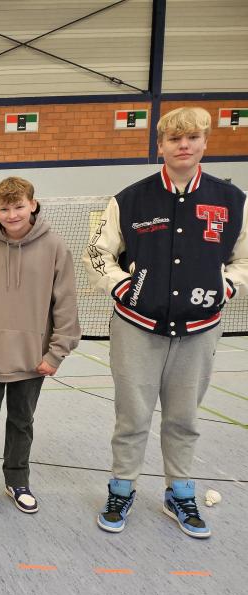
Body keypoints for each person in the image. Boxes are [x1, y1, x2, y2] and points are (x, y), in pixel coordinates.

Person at [83, 107, 248, 538]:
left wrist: (226, 285)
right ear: (160, 145)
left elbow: (244, 259)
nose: (183, 145)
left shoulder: (233, 202)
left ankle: (179, 491)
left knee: (184, 418)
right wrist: (123, 288)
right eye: (174, 139)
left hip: (199, 331)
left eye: (192, 138)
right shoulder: (129, 199)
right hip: (137, 328)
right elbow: (98, 253)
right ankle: (122, 487)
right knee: (132, 416)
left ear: (205, 143)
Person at [0, 177, 80, 514]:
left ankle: (17, 480)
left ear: (32, 204)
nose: (12, 214)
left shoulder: (56, 247)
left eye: (18, 206)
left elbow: (66, 305)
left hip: (33, 360)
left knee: (21, 421)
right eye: (4, 208)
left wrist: (56, 352)